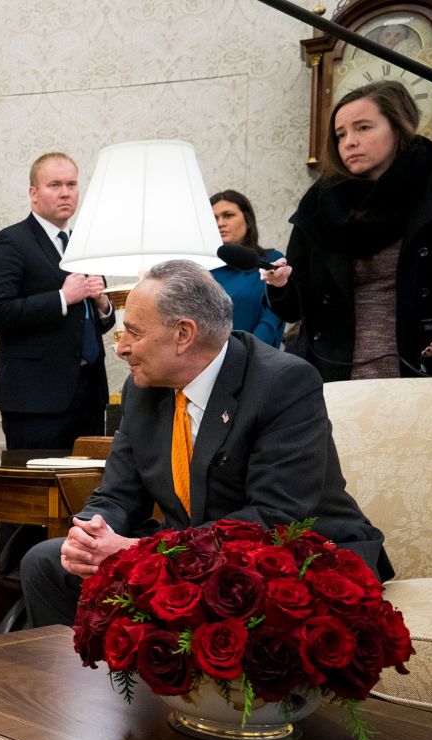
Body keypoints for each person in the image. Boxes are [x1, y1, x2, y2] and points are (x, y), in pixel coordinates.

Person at [21, 260, 388, 628]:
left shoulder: (283, 383)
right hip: (192, 551)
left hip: (290, 555)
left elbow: (275, 517)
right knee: (47, 563)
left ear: (183, 334)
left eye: (133, 332)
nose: (122, 349)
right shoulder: (142, 389)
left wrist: (143, 551)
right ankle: (87, 685)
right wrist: (87, 534)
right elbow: (118, 494)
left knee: (226, 595)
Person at [0, 151, 115, 562]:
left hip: (88, 394)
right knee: (27, 507)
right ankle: (9, 593)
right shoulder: (10, 242)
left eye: (71, 184)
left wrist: (103, 304)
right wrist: (63, 296)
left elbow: (93, 323)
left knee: (82, 501)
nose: (65, 193)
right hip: (35, 401)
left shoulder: (83, 244)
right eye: (55, 185)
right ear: (33, 193)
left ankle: (66, 587)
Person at [265, 80, 432, 380]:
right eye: (341, 134)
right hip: (333, 375)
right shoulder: (317, 206)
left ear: (398, 128)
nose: (349, 142)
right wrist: (279, 284)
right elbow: (293, 309)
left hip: (423, 375)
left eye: (363, 128)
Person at [208, 190, 283, 348]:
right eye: (214, 218)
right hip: (205, 361)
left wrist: (246, 352)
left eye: (228, 215)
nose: (220, 223)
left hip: (254, 357)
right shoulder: (202, 267)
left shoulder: (270, 261)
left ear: (248, 221)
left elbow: (273, 317)